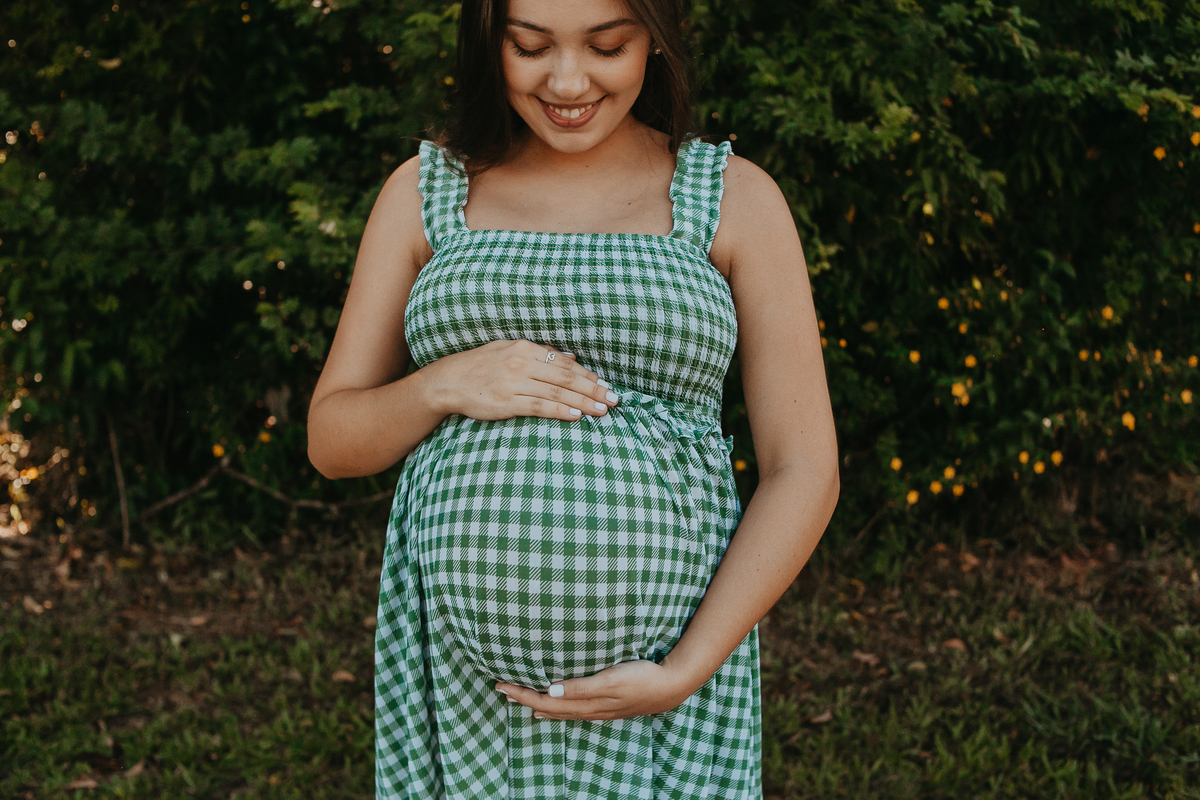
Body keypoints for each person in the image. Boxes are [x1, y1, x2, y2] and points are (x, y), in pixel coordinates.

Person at [306, 0, 839, 796]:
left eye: (606, 45)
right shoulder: (427, 191)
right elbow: (331, 439)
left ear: (653, 43)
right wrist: (443, 384)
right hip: (464, 695)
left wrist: (689, 667)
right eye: (530, 46)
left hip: (667, 676)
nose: (567, 79)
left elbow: (804, 468)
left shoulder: (731, 197)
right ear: (492, 45)